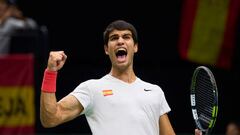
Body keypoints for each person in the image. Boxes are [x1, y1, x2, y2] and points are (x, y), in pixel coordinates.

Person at [40, 20, 201, 135]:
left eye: (126, 37)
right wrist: (51, 72)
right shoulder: (92, 89)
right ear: (106, 49)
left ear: (135, 47)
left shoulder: (155, 92)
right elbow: (50, 118)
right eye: (114, 38)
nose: (120, 41)